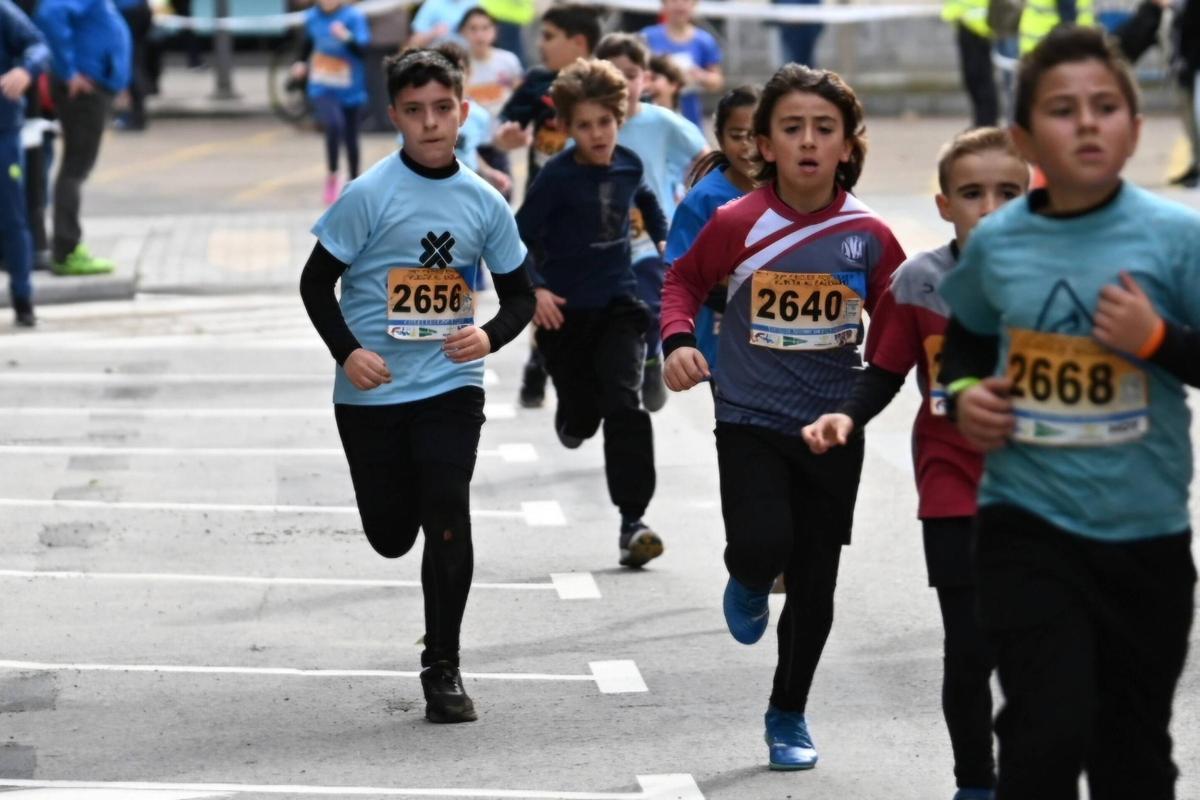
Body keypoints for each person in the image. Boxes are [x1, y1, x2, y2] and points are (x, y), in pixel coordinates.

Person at [938, 26, 1199, 799]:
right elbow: (964, 350)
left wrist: (1155, 338)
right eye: (1062, 108)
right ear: (1024, 139)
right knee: (1045, 733)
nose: (1087, 122)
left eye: (1105, 106)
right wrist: (964, 400)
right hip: (1027, 526)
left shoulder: (1177, 239)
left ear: (1136, 128)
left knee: (1131, 751)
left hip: (1145, 534)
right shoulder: (999, 244)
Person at [661, 63, 905, 771]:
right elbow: (682, 280)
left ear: (848, 145)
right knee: (765, 542)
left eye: (823, 129)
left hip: (831, 425)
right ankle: (745, 573)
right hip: (749, 415)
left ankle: (788, 711)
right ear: (763, 144)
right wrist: (677, 341)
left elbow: (898, 320)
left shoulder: (869, 235)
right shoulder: (737, 222)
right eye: (791, 128)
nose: (807, 141)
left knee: (816, 580)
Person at [299, 48, 535, 725]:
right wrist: (348, 353)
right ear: (396, 115)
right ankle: (411, 572)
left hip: (450, 384)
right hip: (373, 391)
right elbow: (316, 283)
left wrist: (489, 337)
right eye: (414, 111)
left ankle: (443, 667)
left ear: (463, 110)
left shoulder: (484, 201)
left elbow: (520, 294)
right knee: (393, 535)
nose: (431, 123)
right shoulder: (370, 195)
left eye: (442, 109)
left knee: (447, 511)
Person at [802, 127, 1030, 800]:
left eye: (1009, 193)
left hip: (1046, 489)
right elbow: (883, 372)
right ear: (943, 204)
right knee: (969, 646)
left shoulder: (1065, 272)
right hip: (952, 481)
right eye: (971, 193)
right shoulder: (922, 280)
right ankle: (975, 782)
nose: (989, 207)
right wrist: (846, 414)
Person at [515, 57, 668, 569]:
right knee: (583, 416)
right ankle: (570, 413)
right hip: (565, 316)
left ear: (618, 118)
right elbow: (518, 239)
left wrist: (666, 237)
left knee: (625, 405)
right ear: (567, 127)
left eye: (605, 122)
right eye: (585, 125)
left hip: (620, 305)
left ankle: (633, 523)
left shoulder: (627, 163)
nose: (597, 133)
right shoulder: (557, 178)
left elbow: (644, 196)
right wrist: (535, 291)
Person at [494, 3, 602, 408]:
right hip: (547, 213)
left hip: (599, 211)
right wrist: (508, 138)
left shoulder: (606, 84)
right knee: (547, 292)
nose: (540, 44)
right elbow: (505, 126)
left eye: (548, 36)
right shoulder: (538, 82)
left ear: (578, 43)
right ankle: (539, 363)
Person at [594, 33, 707, 412]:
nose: (623, 83)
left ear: (645, 78)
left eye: (631, 74)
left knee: (652, 305)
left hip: (654, 236)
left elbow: (705, 159)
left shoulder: (663, 122)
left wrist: (699, 202)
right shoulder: (588, 125)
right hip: (602, 240)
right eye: (612, 73)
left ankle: (652, 358)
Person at [663, 85, 759, 389]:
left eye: (755, 135)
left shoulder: (794, 189)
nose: (747, 147)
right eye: (737, 135)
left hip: (788, 342)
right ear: (719, 137)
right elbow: (682, 273)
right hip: (724, 338)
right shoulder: (704, 198)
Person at [35, 0, 129, 276]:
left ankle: (65, 246)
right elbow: (51, 14)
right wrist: (69, 70)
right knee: (75, 169)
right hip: (83, 91)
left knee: (76, 168)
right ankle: (66, 249)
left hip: (92, 86)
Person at [291, 0, 371, 205]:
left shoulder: (353, 17)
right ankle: (333, 176)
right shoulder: (312, 17)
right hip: (322, 85)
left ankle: (354, 181)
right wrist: (300, 63)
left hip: (350, 86)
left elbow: (363, 51)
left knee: (351, 136)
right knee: (334, 125)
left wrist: (346, 36)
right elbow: (307, 44)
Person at [0, 0, 47, 327]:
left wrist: (25, 70)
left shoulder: (3, 11)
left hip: (2, 131)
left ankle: (22, 297)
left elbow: (39, 45)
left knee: (13, 218)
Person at [459, 7, 521, 191]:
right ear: (463, 32)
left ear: (495, 31)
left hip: (498, 143)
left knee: (504, 193)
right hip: (468, 144)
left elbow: (520, 98)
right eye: (473, 28)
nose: (480, 35)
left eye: (485, 28)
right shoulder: (459, 65)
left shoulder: (508, 61)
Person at [640, 0, 723, 130]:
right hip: (653, 113)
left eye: (685, 1)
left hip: (690, 116)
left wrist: (700, 76)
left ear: (694, 5)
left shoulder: (704, 41)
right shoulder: (647, 36)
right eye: (674, 1)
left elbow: (717, 82)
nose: (680, 4)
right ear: (664, 4)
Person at [942, 0, 999, 127]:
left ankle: (986, 125)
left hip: (980, 24)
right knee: (972, 78)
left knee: (981, 78)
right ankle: (981, 123)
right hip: (966, 20)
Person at [112, 0, 150, 131]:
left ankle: (137, 116)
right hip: (139, 7)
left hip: (127, 10)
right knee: (136, 60)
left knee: (130, 63)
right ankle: (137, 114)